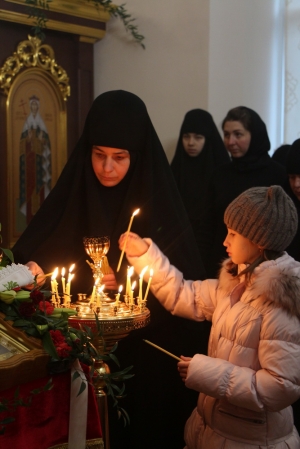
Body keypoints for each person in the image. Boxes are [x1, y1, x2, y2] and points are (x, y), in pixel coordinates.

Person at [12, 90, 211, 449]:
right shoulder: (75, 192)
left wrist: (129, 282)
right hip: (77, 352)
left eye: (119, 158)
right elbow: (44, 249)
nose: (107, 168)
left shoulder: (158, 201)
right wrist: (34, 269)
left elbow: (185, 289)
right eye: (99, 155)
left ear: (137, 156)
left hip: (145, 358)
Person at [120, 185, 300, 449]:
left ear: (259, 242)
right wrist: (144, 256)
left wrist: (205, 372)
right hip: (214, 431)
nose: (224, 241)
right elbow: (186, 295)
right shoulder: (237, 282)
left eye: (233, 233)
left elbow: (279, 387)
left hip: (252, 441)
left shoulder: (279, 305)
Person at [196, 106, 287, 278]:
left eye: (238, 134)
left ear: (254, 135)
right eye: (227, 134)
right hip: (221, 267)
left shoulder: (278, 175)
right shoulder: (220, 174)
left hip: (265, 272)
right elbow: (207, 226)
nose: (230, 141)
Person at [170, 109, 230, 242]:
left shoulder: (222, 173)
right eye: (186, 136)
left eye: (198, 137)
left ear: (207, 139)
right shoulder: (175, 171)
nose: (191, 142)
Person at [19, 95, 51, 226]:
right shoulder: (26, 127)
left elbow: (47, 146)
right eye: (32, 105)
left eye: (35, 105)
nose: (33, 107)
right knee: (30, 189)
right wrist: (27, 139)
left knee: (40, 190)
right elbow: (21, 146)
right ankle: (29, 220)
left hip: (40, 165)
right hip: (29, 165)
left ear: (38, 107)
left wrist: (42, 140)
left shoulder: (42, 126)